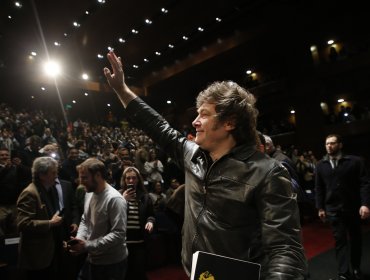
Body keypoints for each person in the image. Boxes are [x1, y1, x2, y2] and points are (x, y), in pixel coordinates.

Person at [103, 50, 307, 279]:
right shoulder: (192, 155)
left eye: (204, 114)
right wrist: (122, 89)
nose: (194, 121)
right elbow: (157, 126)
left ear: (229, 122)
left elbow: (285, 250)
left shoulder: (267, 172)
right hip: (197, 273)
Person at [315, 134, 370, 280]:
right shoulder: (320, 165)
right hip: (333, 209)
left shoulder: (355, 161)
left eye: (332, 143)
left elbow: (365, 184)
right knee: (340, 242)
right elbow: (319, 188)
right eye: (327, 144)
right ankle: (343, 272)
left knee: (356, 240)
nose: (329, 146)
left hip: (352, 207)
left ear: (340, 145)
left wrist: (365, 204)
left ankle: (356, 268)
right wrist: (320, 207)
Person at [69, 158, 128, 280]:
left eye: (84, 177)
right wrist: (79, 240)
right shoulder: (89, 193)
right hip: (92, 258)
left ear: (98, 175)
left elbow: (118, 234)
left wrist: (87, 245)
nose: (81, 182)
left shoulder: (114, 199)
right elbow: (85, 219)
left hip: (111, 264)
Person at [16, 156, 64, 280]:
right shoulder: (30, 193)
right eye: (53, 172)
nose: (56, 175)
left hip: (50, 251)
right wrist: (50, 223)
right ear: (42, 175)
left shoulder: (49, 189)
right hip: (36, 256)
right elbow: (23, 223)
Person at [120, 166, 155, 280]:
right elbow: (112, 215)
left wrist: (150, 222)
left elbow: (151, 215)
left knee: (139, 273)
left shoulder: (145, 196)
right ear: (124, 180)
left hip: (140, 241)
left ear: (138, 180)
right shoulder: (118, 196)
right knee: (124, 274)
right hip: (122, 242)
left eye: (134, 178)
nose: (131, 181)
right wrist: (123, 200)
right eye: (128, 178)